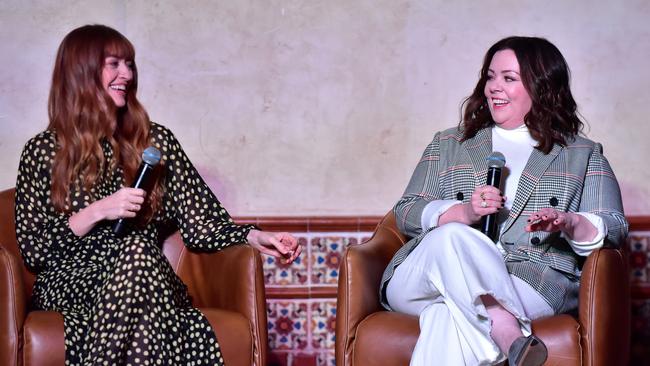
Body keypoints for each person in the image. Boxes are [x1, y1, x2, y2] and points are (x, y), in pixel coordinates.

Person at [14, 24, 302, 365]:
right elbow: (34, 251)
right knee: (147, 273)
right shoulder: (44, 151)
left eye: (130, 64)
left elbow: (201, 221)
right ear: (81, 72)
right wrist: (98, 210)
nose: (127, 74)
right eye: (114, 64)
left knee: (138, 251)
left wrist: (255, 236)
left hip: (147, 275)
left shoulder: (156, 143)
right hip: (74, 283)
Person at [380, 36, 628, 366]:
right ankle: (508, 331)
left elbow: (614, 225)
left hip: (530, 279)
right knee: (452, 236)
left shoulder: (581, 153)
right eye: (490, 76)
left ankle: (498, 324)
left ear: (542, 87)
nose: (493, 87)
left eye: (508, 78)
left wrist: (570, 222)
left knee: (444, 317)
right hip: (425, 277)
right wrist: (464, 212)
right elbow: (406, 211)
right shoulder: (449, 143)